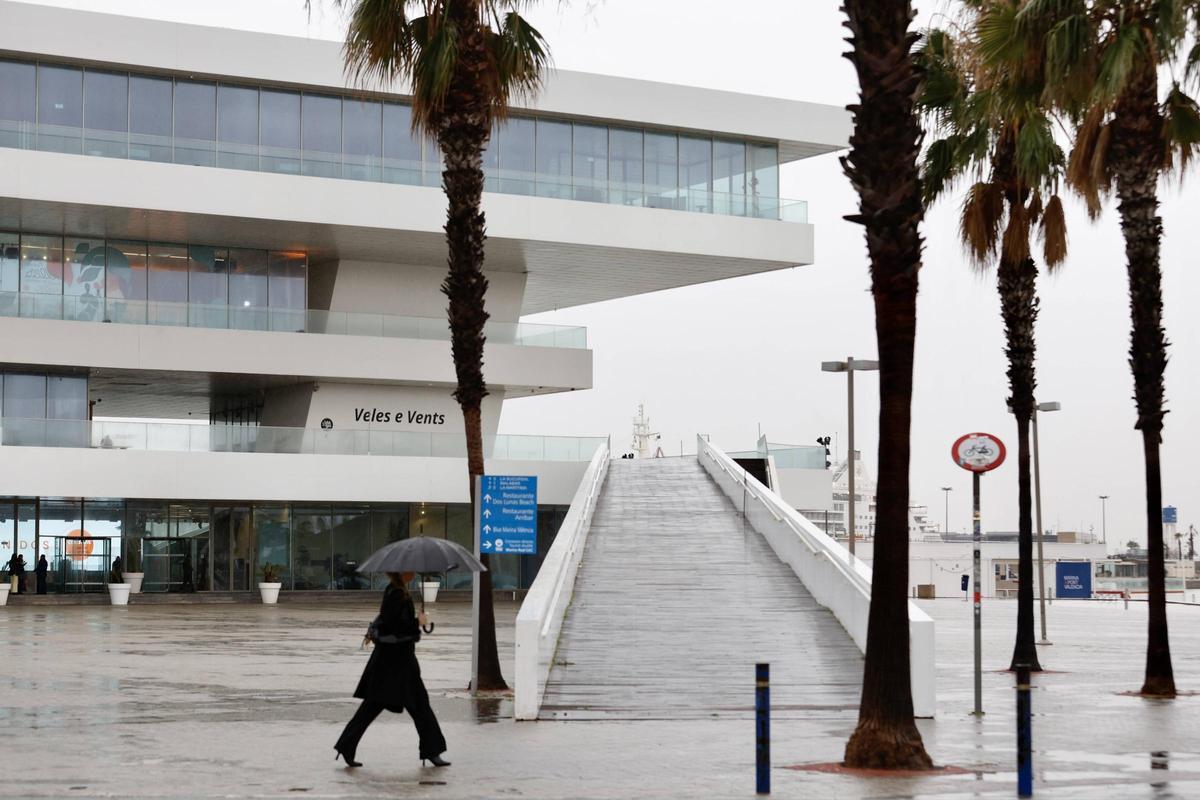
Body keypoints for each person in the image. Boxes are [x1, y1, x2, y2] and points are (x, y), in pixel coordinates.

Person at [334, 571, 449, 769]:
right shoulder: (396, 594)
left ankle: (432, 750)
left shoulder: (398, 591)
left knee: (418, 706)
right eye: (409, 568)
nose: (413, 571)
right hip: (394, 663)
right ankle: (347, 745)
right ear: (402, 572)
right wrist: (418, 622)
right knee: (379, 707)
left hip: (397, 661)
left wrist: (414, 621)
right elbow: (394, 626)